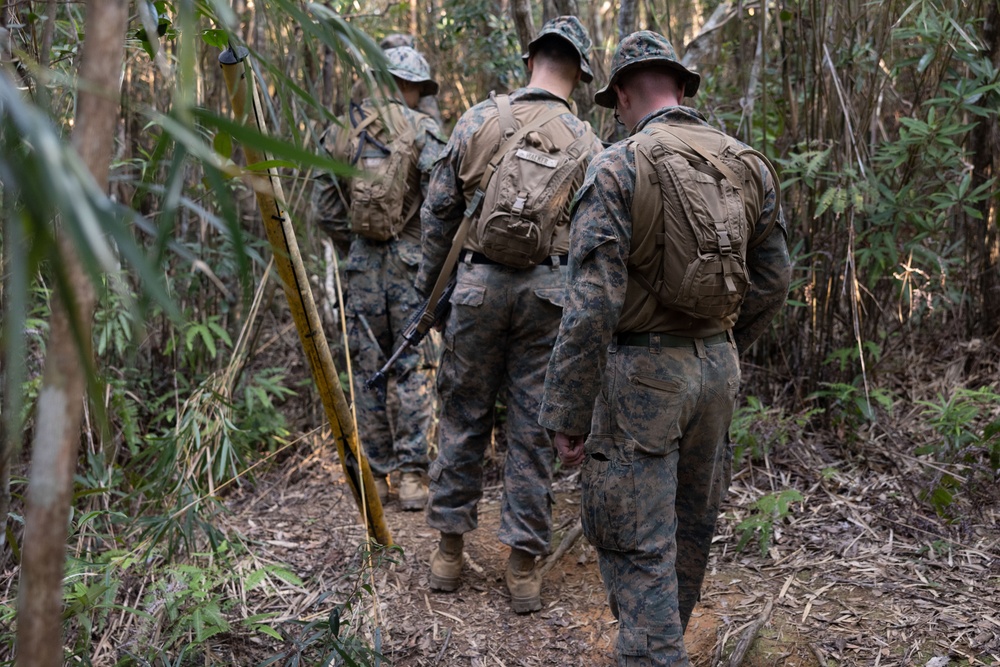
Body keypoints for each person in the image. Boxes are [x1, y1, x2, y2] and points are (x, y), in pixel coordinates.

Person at [538, 31, 791, 665]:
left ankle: (654, 654)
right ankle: (666, 639)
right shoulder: (749, 163)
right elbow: (774, 279)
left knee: (636, 539)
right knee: (690, 527)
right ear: (681, 88)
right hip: (717, 368)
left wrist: (566, 415)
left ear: (623, 95)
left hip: (642, 376)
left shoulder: (620, 164)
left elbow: (591, 304)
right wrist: (725, 344)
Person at [417, 16, 603, 613]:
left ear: (531, 61)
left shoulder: (479, 119)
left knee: (463, 413)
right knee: (531, 427)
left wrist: (433, 295)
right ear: (579, 74)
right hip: (548, 295)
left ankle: (448, 551)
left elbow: (438, 212)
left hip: (475, 286)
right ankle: (523, 566)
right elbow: (597, 241)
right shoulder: (589, 142)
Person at [317, 46, 447, 511]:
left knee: (368, 370)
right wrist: (423, 252)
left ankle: (376, 474)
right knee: (414, 367)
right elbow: (441, 203)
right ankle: (414, 477)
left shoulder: (340, 129)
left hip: (362, 268)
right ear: (408, 83)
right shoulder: (423, 129)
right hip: (412, 266)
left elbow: (325, 207)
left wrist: (356, 247)